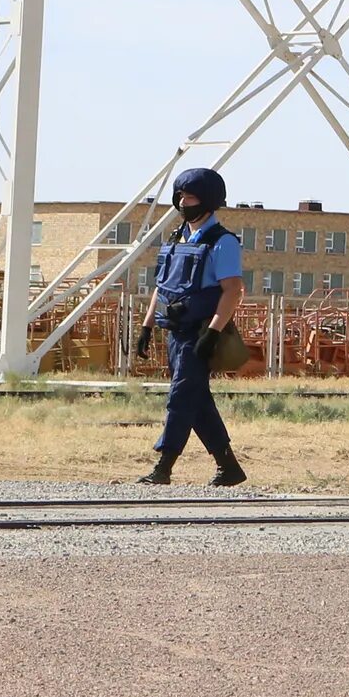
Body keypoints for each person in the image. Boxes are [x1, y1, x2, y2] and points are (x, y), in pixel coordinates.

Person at [136, 166, 247, 486]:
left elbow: (232, 290)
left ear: (209, 201)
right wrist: (146, 326)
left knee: (181, 397)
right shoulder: (177, 238)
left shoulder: (222, 242)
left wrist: (212, 332)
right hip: (176, 330)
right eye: (180, 195)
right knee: (196, 400)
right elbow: (163, 286)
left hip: (199, 332)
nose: (183, 202)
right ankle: (229, 468)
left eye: (190, 196)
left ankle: (164, 466)